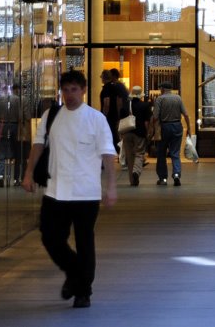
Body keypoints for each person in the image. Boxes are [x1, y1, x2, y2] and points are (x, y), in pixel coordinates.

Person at [22, 69, 117, 309]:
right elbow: (37, 146)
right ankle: (77, 275)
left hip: (86, 192)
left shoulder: (96, 119)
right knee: (50, 237)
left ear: (83, 90)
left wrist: (111, 187)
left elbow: (108, 154)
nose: (70, 95)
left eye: (74, 89)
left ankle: (83, 291)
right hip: (55, 190)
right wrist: (28, 173)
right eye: (65, 90)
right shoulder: (51, 115)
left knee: (85, 241)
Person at [151, 81, 191, 186]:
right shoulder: (178, 98)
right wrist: (189, 129)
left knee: (161, 154)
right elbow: (186, 115)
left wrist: (153, 129)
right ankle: (176, 175)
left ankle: (163, 178)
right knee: (175, 153)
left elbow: (155, 117)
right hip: (177, 126)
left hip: (164, 127)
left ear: (163, 89)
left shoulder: (160, 99)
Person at [120, 86, 152, 186]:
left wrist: (120, 135)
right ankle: (136, 172)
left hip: (127, 133)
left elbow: (120, 122)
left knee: (130, 157)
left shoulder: (125, 106)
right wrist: (148, 133)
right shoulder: (145, 106)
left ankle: (132, 181)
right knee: (139, 154)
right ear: (140, 95)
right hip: (139, 133)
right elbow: (147, 122)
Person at [100, 68, 129, 148]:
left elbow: (107, 103)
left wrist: (104, 115)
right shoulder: (119, 86)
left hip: (112, 116)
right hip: (118, 115)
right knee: (115, 135)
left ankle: (118, 153)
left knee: (112, 135)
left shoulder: (111, 87)